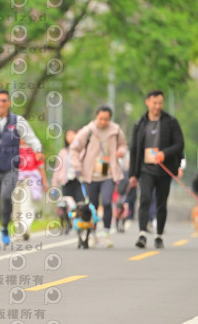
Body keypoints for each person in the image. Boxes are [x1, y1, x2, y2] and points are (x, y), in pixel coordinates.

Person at [0, 89, 44, 249]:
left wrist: (38, 150)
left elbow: (31, 138)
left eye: (4, 101)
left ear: (9, 103)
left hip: (10, 168)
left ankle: (4, 227)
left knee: (6, 196)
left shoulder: (18, 121)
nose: (1, 104)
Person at [129, 90, 184, 249]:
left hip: (164, 169)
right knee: (145, 199)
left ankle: (159, 235)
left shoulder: (171, 122)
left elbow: (179, 144)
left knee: (161, 202)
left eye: (160, 103)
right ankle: (142, 234)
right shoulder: (140, 124)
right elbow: (134, 149)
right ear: (147, 102)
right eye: (154, 103)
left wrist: (164, 154)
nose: (157, 106)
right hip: (145, 169)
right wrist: (133, 174)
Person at [69, 105, 127, 247]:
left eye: (106, 119)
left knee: (107, 202)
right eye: (101, 119)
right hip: (90, 175)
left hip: (109, 174)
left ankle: (106, 234)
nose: (103, 122)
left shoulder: (116, 130)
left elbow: (123, 145)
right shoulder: (88, 131)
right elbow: (74, 148)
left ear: (110, 119)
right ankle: (93, 234)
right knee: (92, 205)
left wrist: (121, 151)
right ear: (96, 117)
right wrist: (77, 166)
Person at [13, 139, 49, 240]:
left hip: (29, 181)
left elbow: (41, 168)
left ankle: (25, 229)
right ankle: (18, 231)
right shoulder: (12, 150)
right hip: (15, 181)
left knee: (26, 206)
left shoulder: (34, 149)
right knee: (16, 207)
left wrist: (44, 182)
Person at [51, 129, 85, 203]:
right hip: (66, 182)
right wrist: (54, 187)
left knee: (80, 204)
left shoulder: (82, 151)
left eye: (73, 134)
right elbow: (57, 170)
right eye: (68, 135)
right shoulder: (63, 152)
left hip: (78, 181)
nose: (70, 137)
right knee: (68, 204)